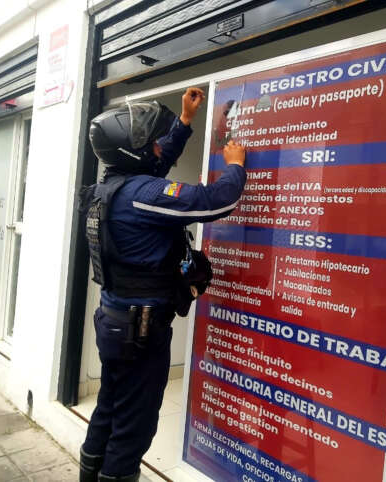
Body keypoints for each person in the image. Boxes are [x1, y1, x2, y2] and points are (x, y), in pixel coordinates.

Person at [78, 87, 246, 482]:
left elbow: (154, 163)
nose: (159, 147)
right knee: (133, 426)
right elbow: (215, 201)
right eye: (152, 142)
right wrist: (235, 166)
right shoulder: (143, 194)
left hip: (115, 321)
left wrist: (184, 122)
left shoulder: (107, 189)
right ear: (133, 152)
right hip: (140, 330)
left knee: (109, 407)